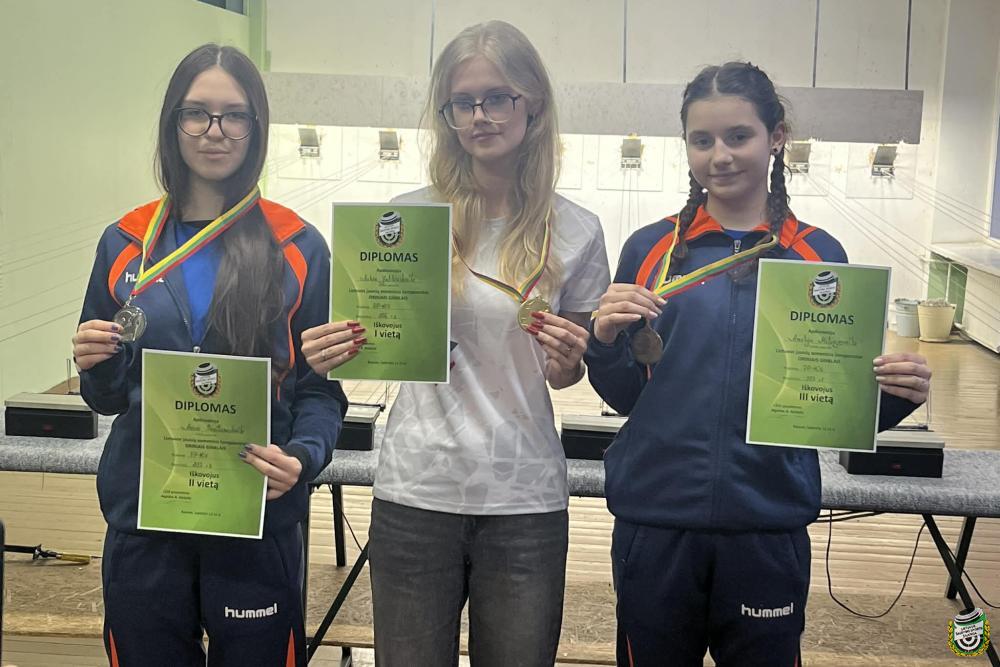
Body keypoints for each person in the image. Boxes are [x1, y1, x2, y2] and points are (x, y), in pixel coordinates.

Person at [585, 61, 933, 667]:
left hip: (766, 524)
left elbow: (825, 404)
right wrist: (603, 341)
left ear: (776, 138)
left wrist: (894, 396)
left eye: (738, 136)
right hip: (657, 519)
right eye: (702, 140)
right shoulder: (650, 249)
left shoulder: (817, 255)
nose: (719, 155)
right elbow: (630, 396)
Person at [303, 20, 611, 666]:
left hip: (524, 495)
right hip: (418, 488)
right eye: (461, 103)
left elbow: (564, 374)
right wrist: (334, 349)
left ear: (533, 103)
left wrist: (567, 362)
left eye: (497, 98)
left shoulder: (577, 230)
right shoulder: (406, 218)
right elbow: (375, 338)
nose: (479, 116)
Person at [72, 43, 347, 667]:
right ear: (174, 123)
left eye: (234, 115)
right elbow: (106, 398)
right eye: (196, 113)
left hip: (255, 517)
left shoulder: (298, 245)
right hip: (146, 520)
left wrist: (302, 458)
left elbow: (319, 391)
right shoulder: (126, 243)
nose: (214, 130)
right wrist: (97, 363)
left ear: (256, 126)